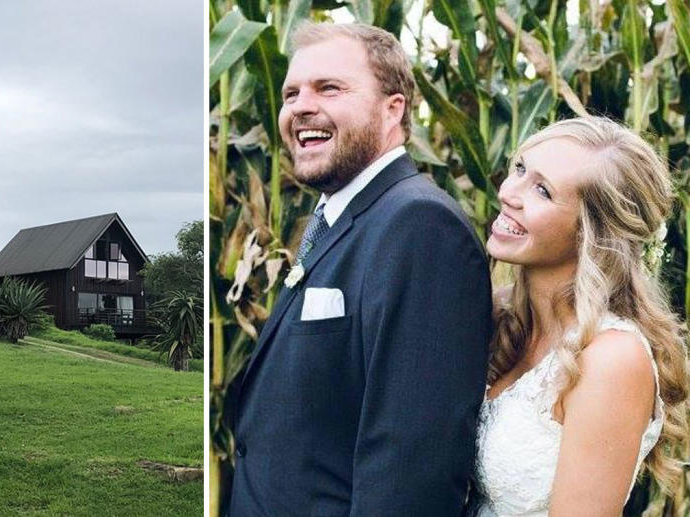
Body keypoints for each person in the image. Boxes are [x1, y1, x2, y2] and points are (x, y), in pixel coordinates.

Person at [227, 22, 493, 516]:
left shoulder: (420, 226)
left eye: (329, 87)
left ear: (394, 108)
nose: (300, 106)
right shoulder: (339, 219)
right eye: (290, 93)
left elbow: (411, 466)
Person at [473, 116, 690, 516]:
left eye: (542, 190)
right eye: (520, 169)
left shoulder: (611, 359)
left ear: (591, 231)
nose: (508, 193)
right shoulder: (502, 317)